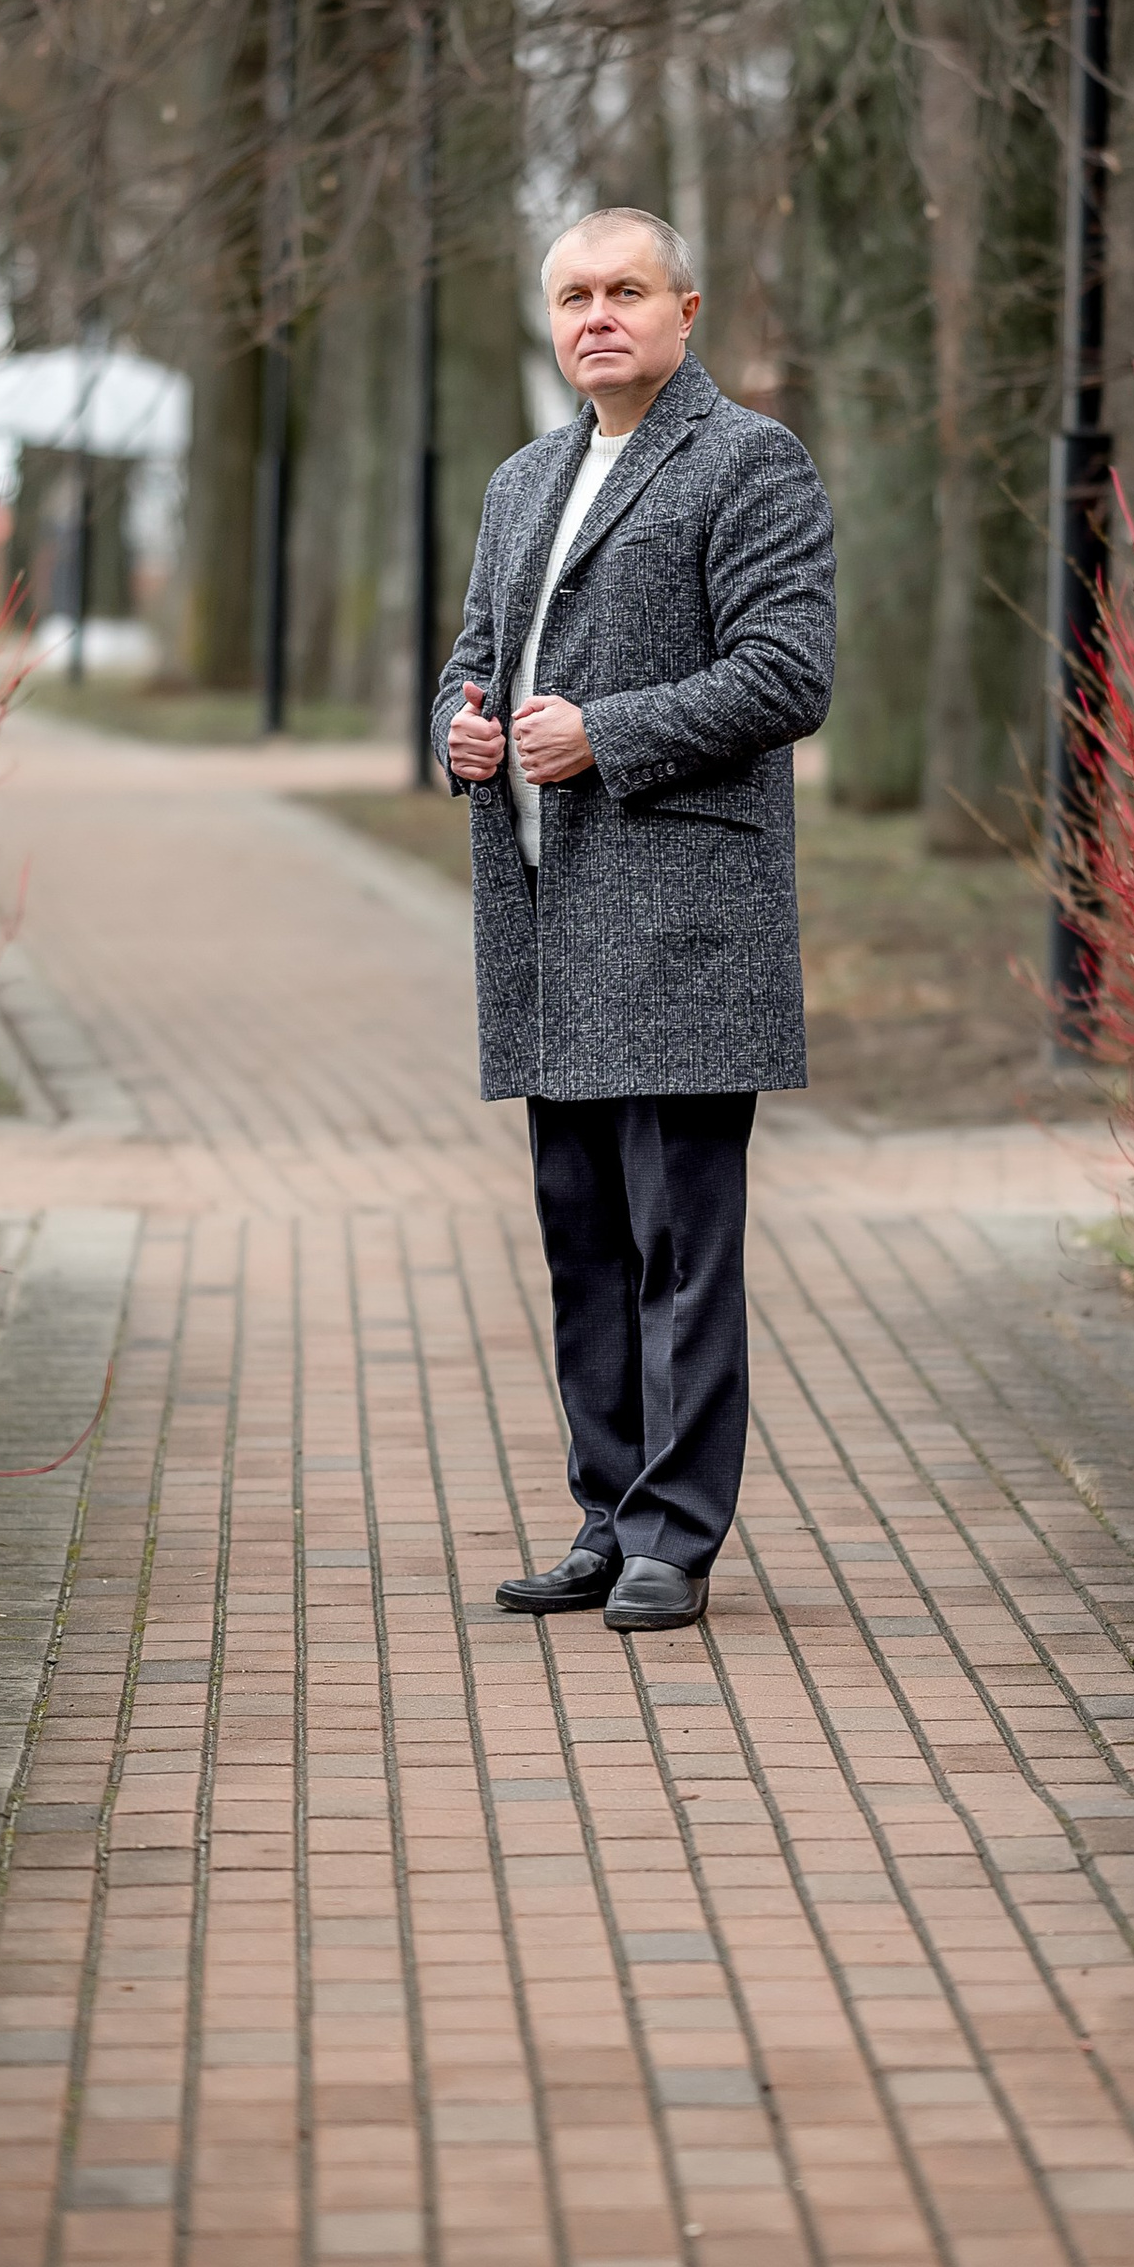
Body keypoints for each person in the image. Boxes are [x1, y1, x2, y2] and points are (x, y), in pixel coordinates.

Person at [432, 208, 836, 1634]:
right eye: (572, 296)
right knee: (584, 1248)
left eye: (624, 291)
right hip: (547, 928)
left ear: (686, 310)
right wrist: (461, 737)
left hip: (680, 927)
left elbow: (788, 674)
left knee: (681, 1248)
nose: (596, 315)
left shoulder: (746, 460)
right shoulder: (524, 480)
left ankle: (676, 1532)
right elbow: (473, 671)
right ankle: (607, 1518)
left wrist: (604, 732)